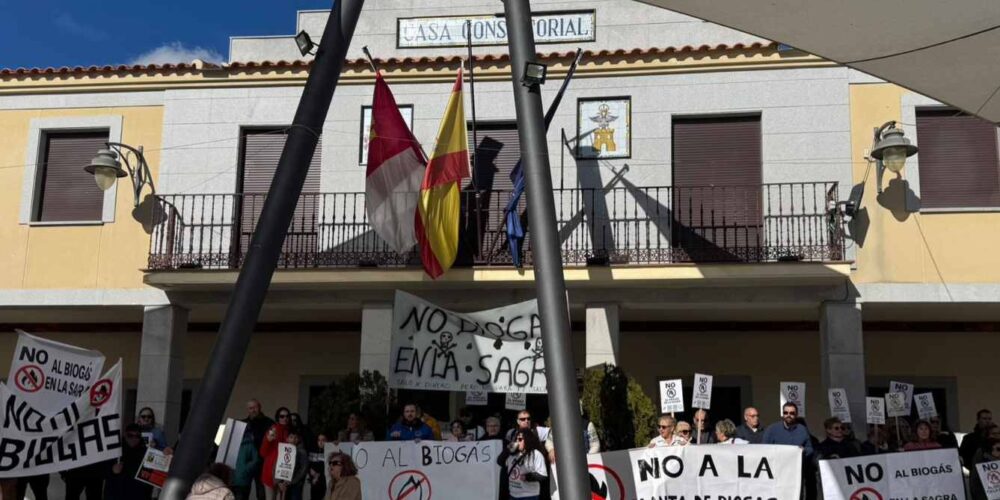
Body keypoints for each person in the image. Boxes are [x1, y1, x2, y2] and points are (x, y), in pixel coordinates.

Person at [763, 403, 815, 500]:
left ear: (796, 414)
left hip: (797, 473)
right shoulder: (772, 429)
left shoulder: (802, 430)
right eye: (786, 412)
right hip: (777, 473)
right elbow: (764, 449)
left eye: (792, 413)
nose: (788, 415)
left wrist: (804, 451)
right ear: (782, 414)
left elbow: (810, 448)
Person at [105, 423, 152, 500]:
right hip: (117, 495)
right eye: (130, 435)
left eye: (137, 436)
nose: (134, 438)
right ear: (125, 435)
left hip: (138, 495)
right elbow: (102, 471)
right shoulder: (115, 450)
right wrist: (112, 470)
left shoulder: (146, 453)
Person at [500, 428, 548, 500]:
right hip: (513, 494)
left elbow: (543, 475)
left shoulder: (535, 454)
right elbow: (499, 462)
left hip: (529, 495)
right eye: (516, 439)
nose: (517, 442)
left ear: (527, 440)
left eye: (520, 439)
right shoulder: (512, 454)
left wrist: (528, 477)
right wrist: (507, 450)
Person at [242, 399, 274, 500]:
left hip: (262, 463)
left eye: (255, 407)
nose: (253, 410)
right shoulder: (242, 424)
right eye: (250, 408)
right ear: (247, 410)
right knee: (243, 492)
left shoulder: (269, 423)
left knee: (261, 494)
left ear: (259, 407)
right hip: (245, 463)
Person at [258, 406, 291, 500]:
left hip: (284, 472)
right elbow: (263, 453)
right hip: (270, 472)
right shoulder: (273, 429)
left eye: (287, 416)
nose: (285, 418)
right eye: (282, 416)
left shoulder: (289, 432)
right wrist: (268, 441)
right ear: (278, 417)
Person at [276, 429, 308, 500]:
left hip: (295, 484)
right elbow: (276, 466)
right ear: (287, 439)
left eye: (295, 437)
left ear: (298, 439)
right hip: (283, 484)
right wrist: (278, 482)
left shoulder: (302, 452)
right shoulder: (282, 450)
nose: (293, 439)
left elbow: (303, 469)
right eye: (291, 437)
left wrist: (292, 481)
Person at [232, 428, 261, 500]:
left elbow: (256, 460)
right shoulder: (232, 444)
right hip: (233, 480)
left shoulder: (250, 445)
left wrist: (245, 469)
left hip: (242, 480)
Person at [308, 433, 329, 500]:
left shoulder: (329, 451)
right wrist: (312, 475)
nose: (320, 442)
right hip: (314, 481)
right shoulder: (312, 450)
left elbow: (326, 466)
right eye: (319, 440)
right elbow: (309, 464)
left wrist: (317, 475)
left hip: (324, 481)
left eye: (323, 440)